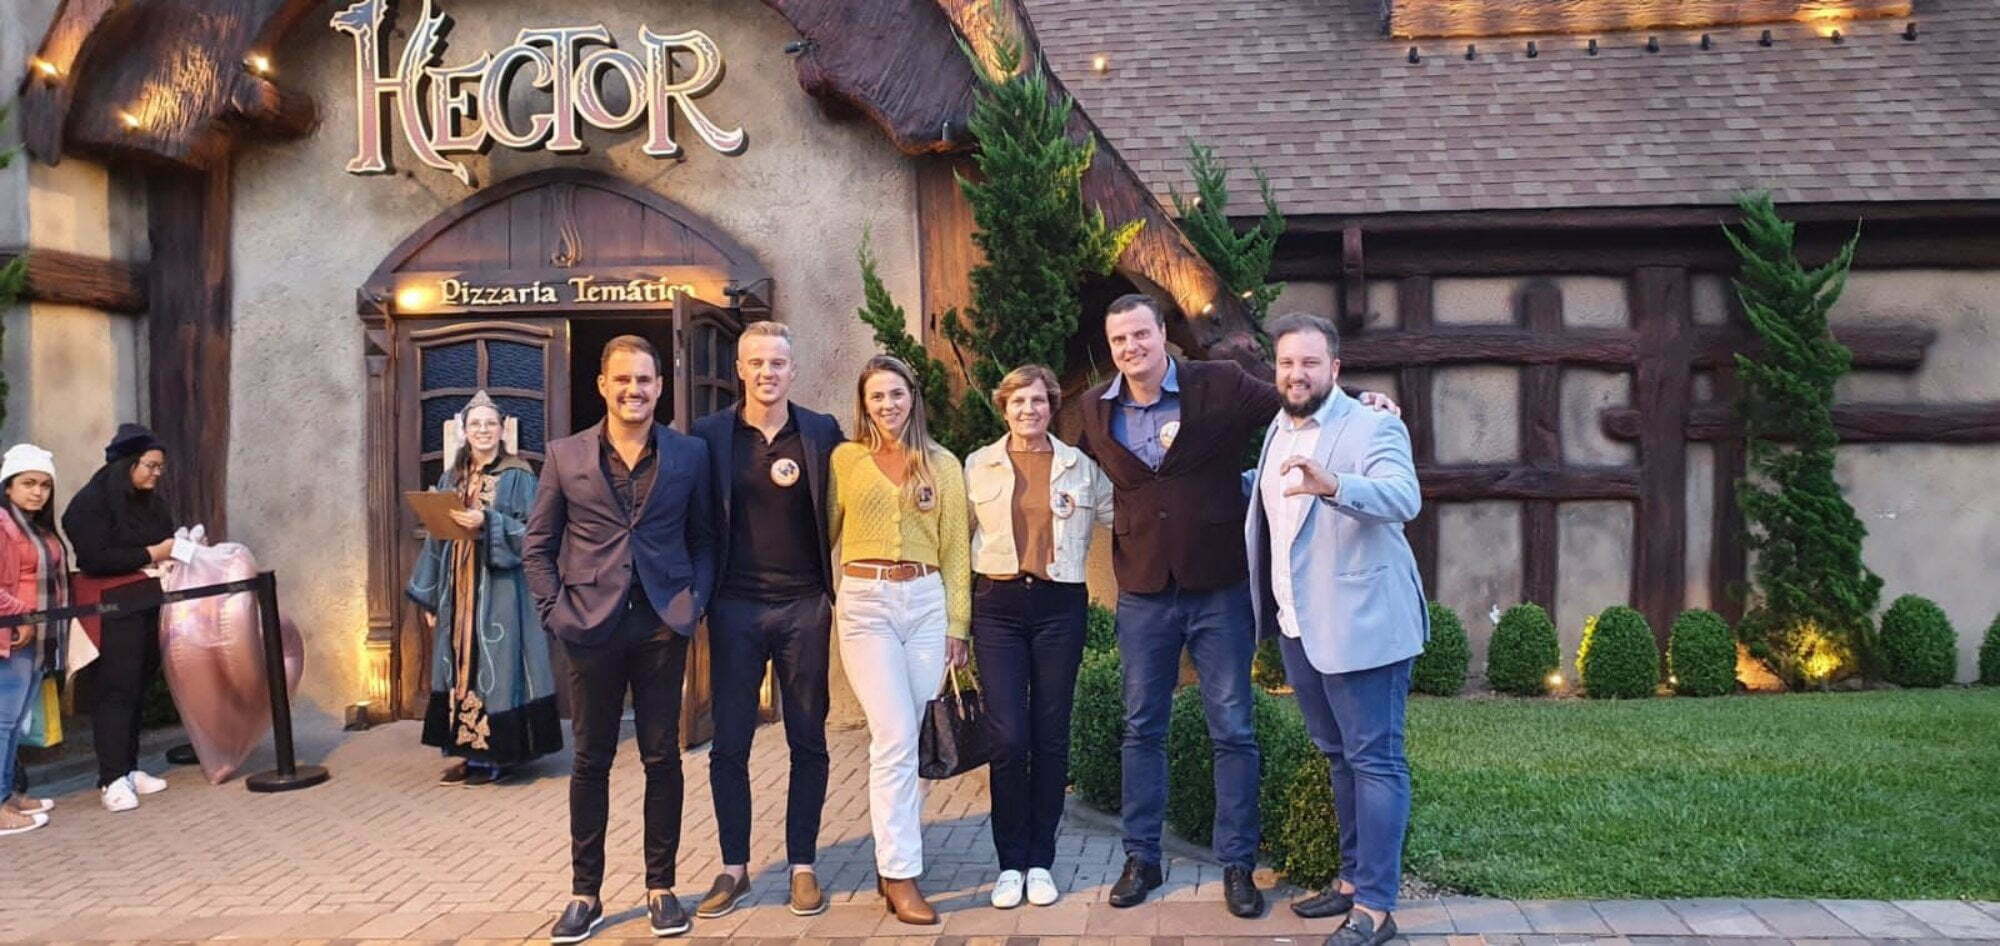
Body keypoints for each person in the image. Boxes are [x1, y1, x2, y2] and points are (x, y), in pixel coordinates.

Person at [1074, 294, 1395, 917]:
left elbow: (1294, 394)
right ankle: (1141, 857)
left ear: (1162, 335)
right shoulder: (1094, 407)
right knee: (1141, 726)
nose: (1131, 348)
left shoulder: (1218, 383)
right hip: (1143, 590)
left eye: (1141, 334)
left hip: (1220, 587)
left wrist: (1361, 398)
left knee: (1234, 729)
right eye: (1119, 340)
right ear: (1111, 349)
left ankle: (1238, 864)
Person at [523, 336, 717, 944]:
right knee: (591, 759)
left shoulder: (688, 454)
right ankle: (585, 893)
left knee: (662, 757)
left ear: (660, 386)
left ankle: (661, 887)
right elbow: (537, 544)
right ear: (603, 385)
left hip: (661, 623)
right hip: (589, 625)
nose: (635, 390)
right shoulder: (565, 455)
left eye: (645, 380)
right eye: (624, 379)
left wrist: (694, 602)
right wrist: (554, 610)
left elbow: (706, 538)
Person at [1246, 314, 1425, 946]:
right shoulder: (1277, 428)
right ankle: (1351, 881)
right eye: (1287, 363)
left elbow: (1404, 497)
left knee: (1375, 762)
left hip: (1365, 626)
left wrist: (1335, 486)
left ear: (1336, 369)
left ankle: (1375, 908)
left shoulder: (1374, 424)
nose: (1297, 374)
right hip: (1300, 625)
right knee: (1338, 756)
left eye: (1310, 363)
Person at [689, 322, 844, 919]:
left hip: (804, 606)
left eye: (777, 363)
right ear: (740, 370)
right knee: (730, 743)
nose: (767, 372)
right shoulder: (709, 436)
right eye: (756, 363)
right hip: (735, 608)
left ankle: (803, 865)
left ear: (792, 370)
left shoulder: (821, 431)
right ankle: (734, 868)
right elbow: (693, 519)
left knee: (808, 738)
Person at [826, 354, 970, 926]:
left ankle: (895, 861)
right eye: (877, 396)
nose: (888, 404)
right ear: (864, 405)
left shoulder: (942, 464)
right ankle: (901, 872)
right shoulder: (846, 460)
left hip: (926, 604)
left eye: (896, 393)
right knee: (893, 735)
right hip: (866, 605)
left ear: (913, 397)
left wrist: (958, 623)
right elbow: (822, 533)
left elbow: (955, 548)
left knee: (913, 738)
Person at [964, 365, 1114, 909]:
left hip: (1058, 606)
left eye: (1038, 401)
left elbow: (1127, 516)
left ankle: (1041, 861)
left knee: (1050, 735)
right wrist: (954, 620)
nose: (1029, 410)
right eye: (1018, 401)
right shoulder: (977, 465)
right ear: (1003, 408)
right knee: (1008, 738)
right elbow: (956, 541)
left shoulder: (1080, 467)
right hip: (997, 606)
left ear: (1051, 407)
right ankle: (1010, 863)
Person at [407, 392, 562, 787]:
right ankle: (467, 752)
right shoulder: (452, 477)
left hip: (501, 590)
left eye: (490, 424)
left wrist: (488, 522)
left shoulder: (519, 476)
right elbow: (436, 538)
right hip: (456, 590)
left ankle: (498, 756)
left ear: (502, 429)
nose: (482, 430)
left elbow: (536, 532)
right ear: (464, 430)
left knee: (498, 666)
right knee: (460, 667)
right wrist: (429, 595)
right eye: (475, 424)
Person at [63, 424, 177, 813]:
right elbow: (95, 558)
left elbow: (165, 539)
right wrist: (153, 553)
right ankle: (111, 778)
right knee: (115, 691)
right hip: (112, 608)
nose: (156, 474)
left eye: (160, 468)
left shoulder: (150, 503)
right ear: (128, 463)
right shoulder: (89, 504)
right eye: (150, 466)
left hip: (147, 603)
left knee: (138, 687)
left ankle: (129, 767)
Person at [0, 444, 68, 836]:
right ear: (8, 486)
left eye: (44, 485)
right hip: (11, 636)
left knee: (14, 723)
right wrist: (20, 614)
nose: (37, 492)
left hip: (39, 638)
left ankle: (8, 794)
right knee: (3, 721)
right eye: (28, 483)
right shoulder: (2, 525)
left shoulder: (36, 527)